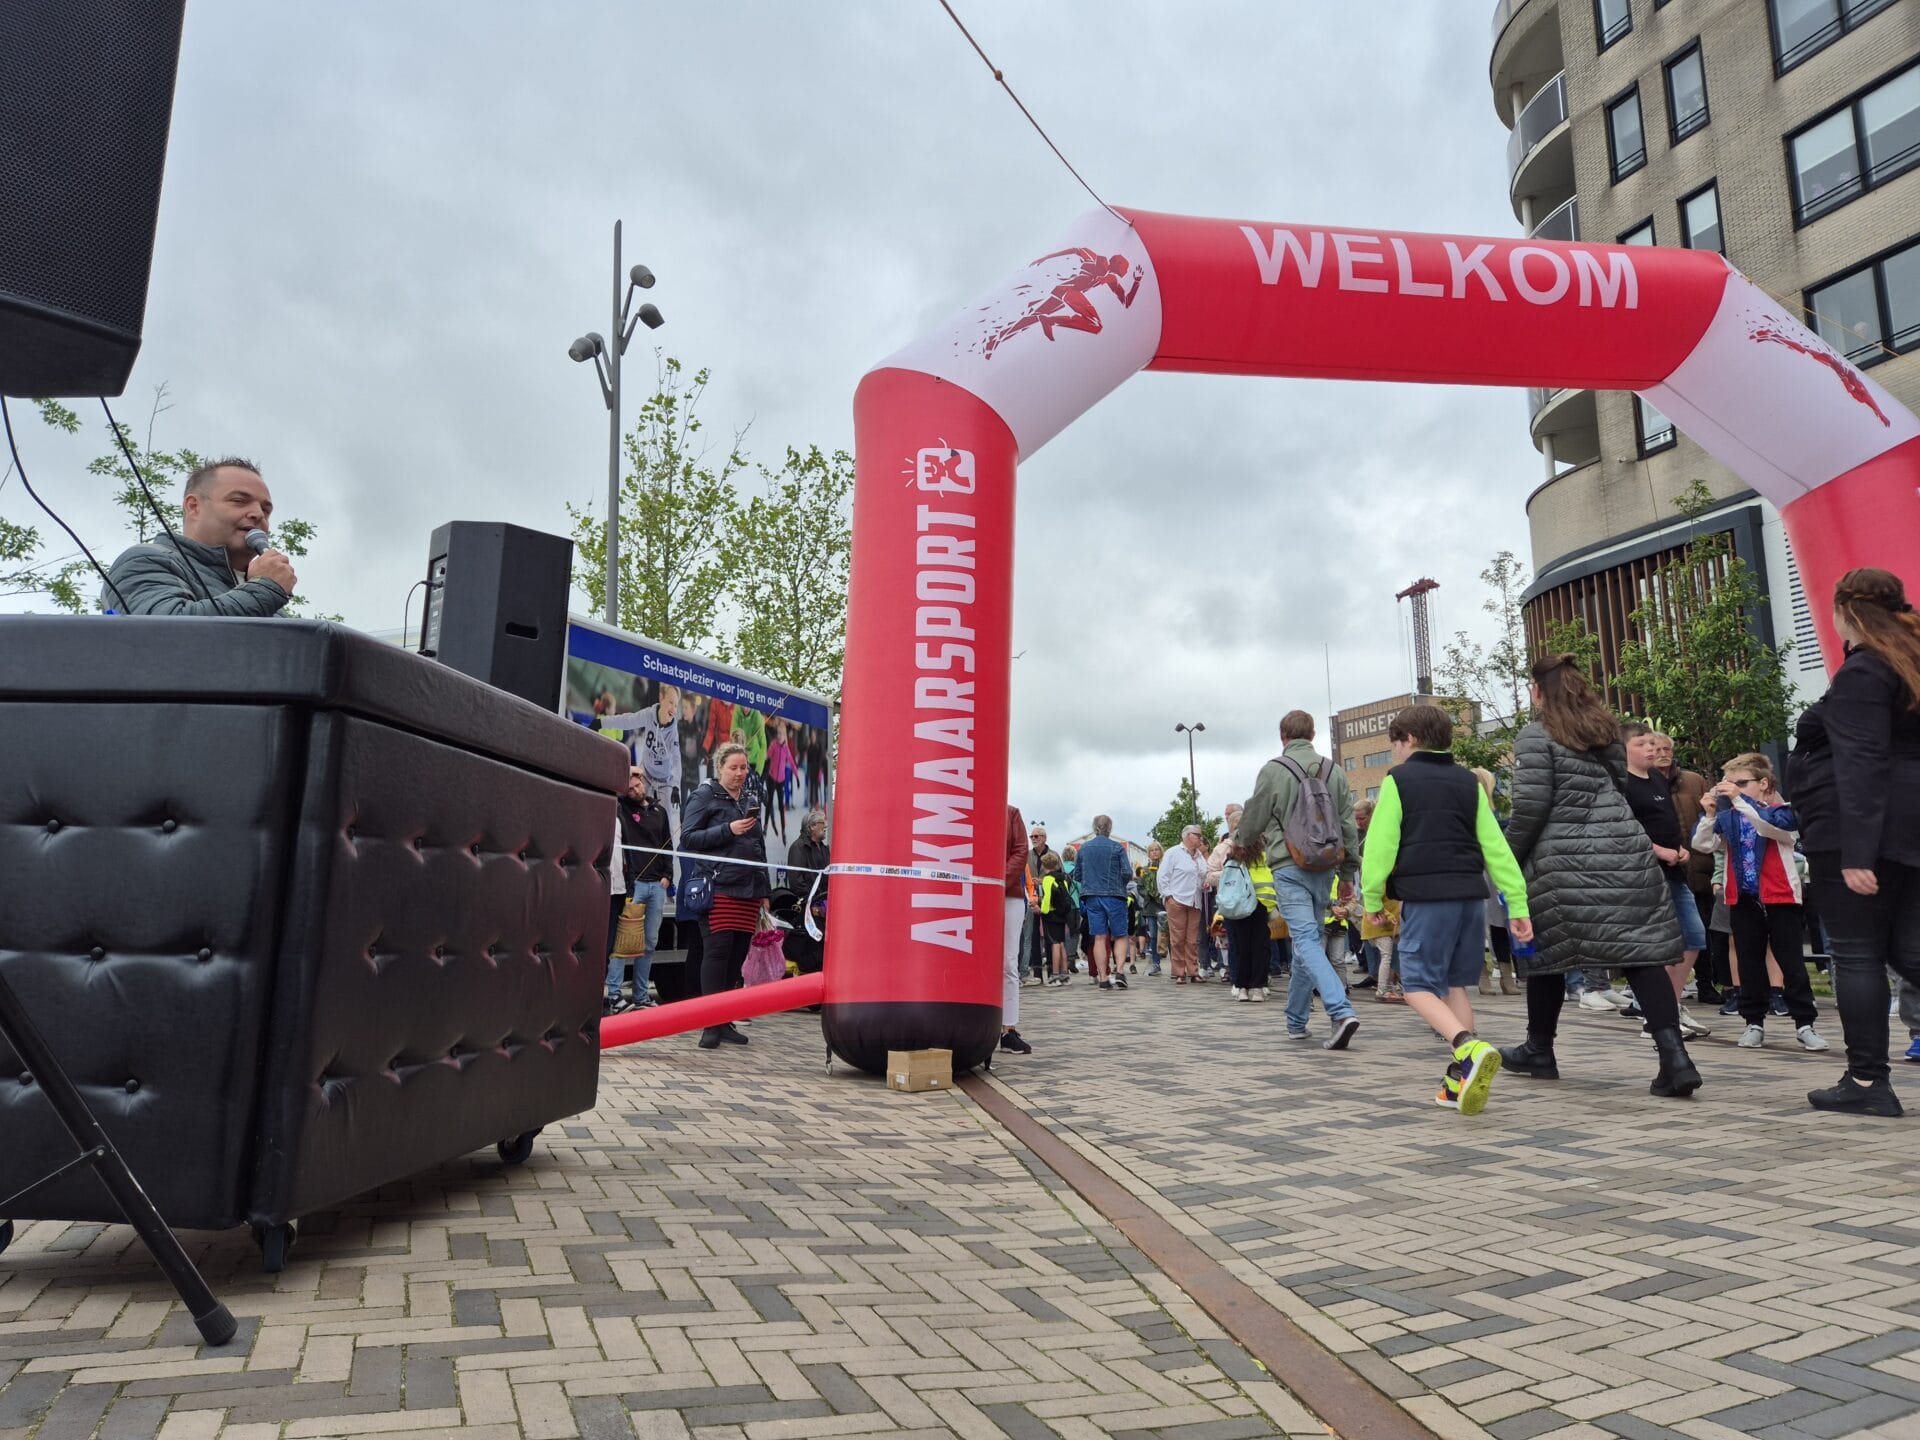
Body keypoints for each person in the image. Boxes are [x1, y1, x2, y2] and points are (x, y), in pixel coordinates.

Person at [1497, 655, 1700, 1097]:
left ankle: (1539, 1049)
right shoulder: (1606, 734)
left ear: (1538, 692)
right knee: (1640, 953)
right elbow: (1620, 790)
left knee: (1548, 954)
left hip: (1563, 859)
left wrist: (1507, 858)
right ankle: (1675, 1058)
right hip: (1625, 849)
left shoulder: (1535, 736)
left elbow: (1531, 807)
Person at [1791, 570, 1920, 1115]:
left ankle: (1868, 1082)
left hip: (1863, 829)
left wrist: (1856, 852)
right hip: (1906, 826)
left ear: (1846, 609)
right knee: (1908, 949)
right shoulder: (1907, 661)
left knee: (1858, 954)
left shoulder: (1867, 668)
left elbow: (1862, 760)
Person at [1362, 705, 1528, 1110]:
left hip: (1426, 896)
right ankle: (1458, 1083)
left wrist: (1370, 898)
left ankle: (1466, 1046)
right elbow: (1496, 847)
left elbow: (1381, 846)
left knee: (1417, 985)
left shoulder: (1397, 781)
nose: (1394, 753)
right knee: (1455, 984)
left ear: (1410, 740)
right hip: (1471, 897)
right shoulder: (1468, 782)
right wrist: (1518, 903)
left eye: (1394, 745)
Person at [1235, 711, 1362, 1043]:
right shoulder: (1334, 771)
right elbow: (1348, 825)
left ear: (1283, 735)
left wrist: (1240, 842)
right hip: (1326, 868)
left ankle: (1340, 1010)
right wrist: (1347, 873)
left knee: (1305, 941)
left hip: (1289, 866)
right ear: (1314, 734)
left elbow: (1252, 820)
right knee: (1311, 943)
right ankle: (1295, 1020)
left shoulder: (1274, 770)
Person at [1692, 752, 1828, 1053]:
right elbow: (1701, 844)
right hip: (1742, 898)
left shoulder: (1783, 811)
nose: (1732, 788)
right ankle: (1753, 1022)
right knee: (1749, 961)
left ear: (1763, 783)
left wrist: (1740, 799)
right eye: (1729, 783)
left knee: (1791, 961)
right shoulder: (1729, 816)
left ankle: (1805, 1024)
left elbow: (1769, 827)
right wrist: (1711, 815)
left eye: (1741, 782)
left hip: (1780, 896)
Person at [104, 457, 297, 616]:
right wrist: (265, 589)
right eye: (239, 501)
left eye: (266, 509)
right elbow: (164, 635)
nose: (258, 514)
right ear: (193, 506)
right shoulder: (145, 560)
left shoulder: (273, 603)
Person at [1619, 722, 1712, 1039]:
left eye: (1653, 743)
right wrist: (1658, 850)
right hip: (1645, 875)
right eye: (1642, 743)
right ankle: (1657, 1018)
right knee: (1657, 946)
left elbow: (1668, 823)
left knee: (1694, 937)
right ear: (1625, 749)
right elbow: (1621, 830)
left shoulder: (1657, 778)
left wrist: (1680, 850)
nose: (1651, 749)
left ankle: (1667, 1011)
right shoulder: (1621, 783)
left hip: (1675, 869)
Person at [681, 741, 768, 1049]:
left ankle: (725, 1019)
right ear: (719, 768)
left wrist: (765, 890)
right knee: (716, 955)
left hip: (749, 891)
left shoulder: (750, 799)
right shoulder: (705, 796)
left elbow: (759, 847)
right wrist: (727, 830)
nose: (740, 773)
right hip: (717, 888)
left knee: (736, 959)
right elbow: (688, 839)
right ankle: (710, 1023)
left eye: (744, 767)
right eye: (734, 768)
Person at [1654, 733, 1724, 1006]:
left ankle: (1707, 984)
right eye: (1656, 748)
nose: (1662, 753)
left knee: (1702, 930)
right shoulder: (1645, 783)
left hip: (1698, 864)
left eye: (1666, 748)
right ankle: (1660, 992)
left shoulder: (1693, 781)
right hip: (1667, 867)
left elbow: (1711, 816)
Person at [607, 766, 672, 1011]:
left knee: (649, 943)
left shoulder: (659, 811)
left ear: (644, 783)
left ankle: (641, 996)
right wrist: (625, 771)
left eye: (638, 785)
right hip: (634, 886)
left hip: (657, 885)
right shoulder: (622, 809)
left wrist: (668, 875)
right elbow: (611, 793)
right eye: (630, 787)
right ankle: (614, 996)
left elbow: (668, 844)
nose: (635, 789)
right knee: (623, 942)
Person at [1076, 817, 1134, 990]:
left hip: (1092, 896)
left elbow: (1077, 875)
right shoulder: (1117, 848)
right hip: (1115, 896)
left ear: (1094, 828)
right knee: (1120, 935)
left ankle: (1102, 977)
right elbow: (1127, 872)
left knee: (1099, 937)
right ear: (1110, 828)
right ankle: (1120, 971)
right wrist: (1119, 883)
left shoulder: (1084, 848)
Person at [999, 806, 1034, 1053]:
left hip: (1008, 894)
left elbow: (1021, 851)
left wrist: (999, 880)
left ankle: (1008, 1028)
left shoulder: (1011, 814)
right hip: (972, 894)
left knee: (1009, 962)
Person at [1158, 825, 1208, 984]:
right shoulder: (1173, 852)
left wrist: (1206, 883)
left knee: (1193, 939)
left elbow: (1203, 875)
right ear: (1187, 836)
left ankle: (1193, 971)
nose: (1201, 838)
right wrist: (1168, 896)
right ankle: (1179, 972)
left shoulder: (1200, 855)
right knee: (1178, 938)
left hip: (1195, 900)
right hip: (1177, 899)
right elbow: (1162, 875)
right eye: (1197, 835)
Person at [785, 809, 831, 976]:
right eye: (821, 823)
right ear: (811, 827)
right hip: (810, 908)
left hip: (826, 905)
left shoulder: (825, 849)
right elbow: (796, 880)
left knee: (825, 947)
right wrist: (811, 903)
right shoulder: (798, 848)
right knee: (812, 948)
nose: (825, 826)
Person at [1038, 851, 1075, 984]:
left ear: (1044, 865)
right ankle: (1065, 973)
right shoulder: (1062, 878)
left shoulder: (1048, 879)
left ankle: (1054, 975)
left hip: (1051, 915)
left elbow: (1047, 898)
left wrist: (1042, 910)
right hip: (1062, 914)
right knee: (1061, 943)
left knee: (1054, 944)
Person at [1138, 843, 1166, 976]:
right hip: (1150, 907)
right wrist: (1148, 893)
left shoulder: (1165, 867)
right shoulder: (1144, 870)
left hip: (1164, 905)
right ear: (1148, 853)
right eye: (1152, 850)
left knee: (1168, 935)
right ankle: (1156, 964)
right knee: (1154, 936)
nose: (1155, 852)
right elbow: (1140, 887)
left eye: (1157, 850)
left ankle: (1178, 965)